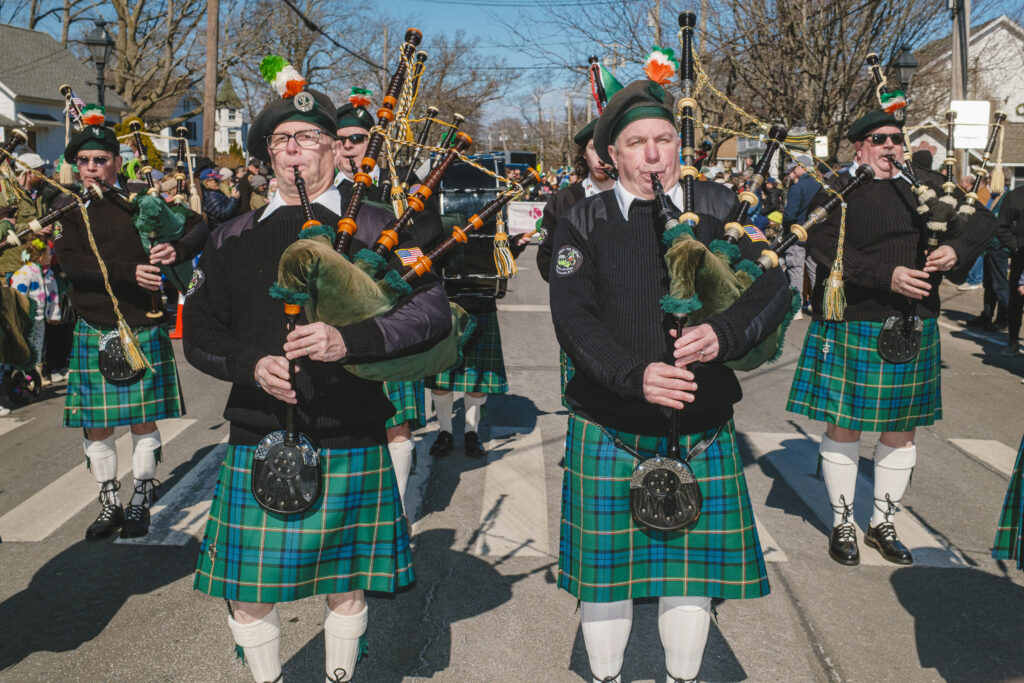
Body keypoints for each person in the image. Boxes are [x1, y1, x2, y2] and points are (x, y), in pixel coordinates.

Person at [183, 74, 452, 683]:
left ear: (336, 149)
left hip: (352, 427)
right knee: (250, 593)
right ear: (268, 155)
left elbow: (431, 309)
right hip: (258, 430)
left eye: (311, 136)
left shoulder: (380, 224)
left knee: (347, 587)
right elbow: (199, 332)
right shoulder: (232, 236)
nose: (295, 148)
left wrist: (348, 341)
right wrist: (248, 366)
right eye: (282, 139)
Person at [548, 79, 791, 683]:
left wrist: (726, 334)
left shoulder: (721, 211)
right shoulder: (583, 219)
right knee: (607, 580)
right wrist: (634, 375)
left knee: (693, 580)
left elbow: (771, 285)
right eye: (637, 142)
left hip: (703, 422)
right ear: (613, 154)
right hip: (611, 422)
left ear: (678, 145)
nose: (653, 153)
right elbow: (572, 316)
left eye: (663, 138)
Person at [786, 110, 994, 567]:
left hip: (913, 323)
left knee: (901, 432)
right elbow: (823, 244)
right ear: (859, 146)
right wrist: (888, 276)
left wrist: (956, 250)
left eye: (896, 139)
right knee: (845, 425)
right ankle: (843, 521)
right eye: (878, 139)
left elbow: (982, 221)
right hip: (855, 319)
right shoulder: (840, 189)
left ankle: (882, 522)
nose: (890, 146)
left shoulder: (925, 184)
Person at [52, 112, 207, 540]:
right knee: (97, 424)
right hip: (95, 324)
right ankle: (109, 500)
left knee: (142, 420)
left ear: (117, 162)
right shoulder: (66, 207)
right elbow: (73, 265)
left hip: (142, 324)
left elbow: (198, 227)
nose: (91, 168)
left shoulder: (142, 198)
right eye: (83, 161)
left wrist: (175, 251)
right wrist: (130, 272)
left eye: (100, 159)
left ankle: (140, 496)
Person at [535, 118, 615, 408]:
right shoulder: (564, 200)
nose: (602, 158)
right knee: (584, 403)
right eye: (594, 149)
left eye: (608, 148)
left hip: (629, 316)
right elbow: (547, 261)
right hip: (582, 317)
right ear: (584, 153)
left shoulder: (639, 199)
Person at [782, 153, 821, 319]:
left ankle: (796, 308)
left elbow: (790, 213)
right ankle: (818, 304)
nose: (792, 172)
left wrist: (786, 228)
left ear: (800, 168)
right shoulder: (820, 184)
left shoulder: (798, 187)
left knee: (796, 270)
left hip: (797, 232)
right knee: (814, 270)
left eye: (794, 168)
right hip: (816, 232)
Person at [996, 181, 1024, 356]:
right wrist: (1016, 247)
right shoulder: (1016, 196)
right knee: (1016, 300)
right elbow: (1002, 226)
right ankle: (1013, 340)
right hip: (1021, 256)